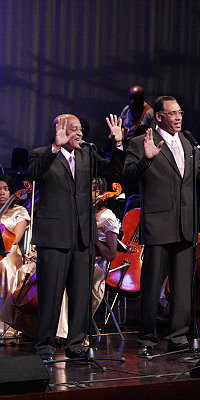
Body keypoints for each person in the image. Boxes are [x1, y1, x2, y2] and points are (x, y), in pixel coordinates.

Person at [123, 95, 200, 357]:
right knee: (152, 285)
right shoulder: (142, 142)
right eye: (172, 113)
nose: (178, 118)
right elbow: (127, 177)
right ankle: (147, 338)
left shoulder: (188, 142)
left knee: (183, 286)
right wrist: (146, 159)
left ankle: (178, 337)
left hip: (185, 224)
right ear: (159, 116)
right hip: (158, 223)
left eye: (180, 113)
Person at [28, 113, 124, 359]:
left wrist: (117, 144)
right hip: (54, 236)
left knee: (81, 294)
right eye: (73, 128)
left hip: (83, 236)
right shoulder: (41, 154)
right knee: (51, 293)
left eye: (80, 128)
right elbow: (35, 174)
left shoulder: (86, 154)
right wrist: (55, 148)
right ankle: (45, 345)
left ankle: (75, 344)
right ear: (59, 129)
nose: (79, 133)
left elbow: (114, 171)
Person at [0, 174, 30, 337]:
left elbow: (15, 239)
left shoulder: (19, 211)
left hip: (9, 252)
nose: (2, 193)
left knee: (3, 265)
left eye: (6, 189)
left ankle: (5, 323)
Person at [90, 178, 120, 317]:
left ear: (98, 192)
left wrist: (94, 238)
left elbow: (111, 254)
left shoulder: (107, 217)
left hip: (96, 265)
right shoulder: (83, 212)